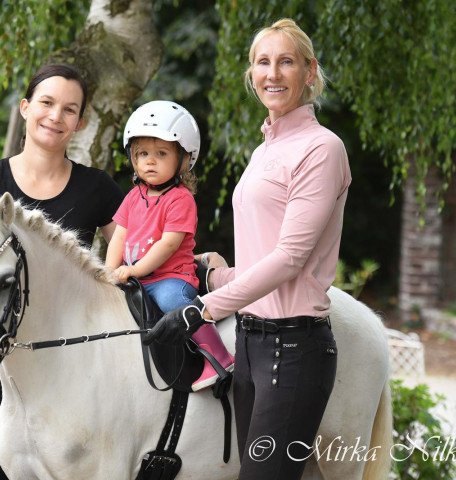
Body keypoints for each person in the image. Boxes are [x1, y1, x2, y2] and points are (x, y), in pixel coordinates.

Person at [143, 19, 351, 479]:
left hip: (295, 349)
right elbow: (267, 263)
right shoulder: (264, 150)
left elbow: (293, 259)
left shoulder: (322, 148)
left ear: (310, 71)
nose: (272, 73)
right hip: (251, 344)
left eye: (286, 62)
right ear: (252, 74)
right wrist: (217, 274)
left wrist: (202, 308)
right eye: (263, 62)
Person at [0, 63, 124, 479]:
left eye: (70, 110)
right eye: (47, 103)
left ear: (81, 122)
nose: (56, 116)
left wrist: (197, 258)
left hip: (68, 382)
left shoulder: (98, 188)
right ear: (25, 107)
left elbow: (136, 249)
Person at [105, 100, 234, 391]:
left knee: (173, 304)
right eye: (142, 154)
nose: (150, 161)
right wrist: (109, 271)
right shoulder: (132, 196)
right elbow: (119, 236)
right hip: (137, 276)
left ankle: (219, 355)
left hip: (169, 279)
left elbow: (167, 245)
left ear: (184, 160)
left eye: (161, 154)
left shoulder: (180, 199)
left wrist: (133, 269)